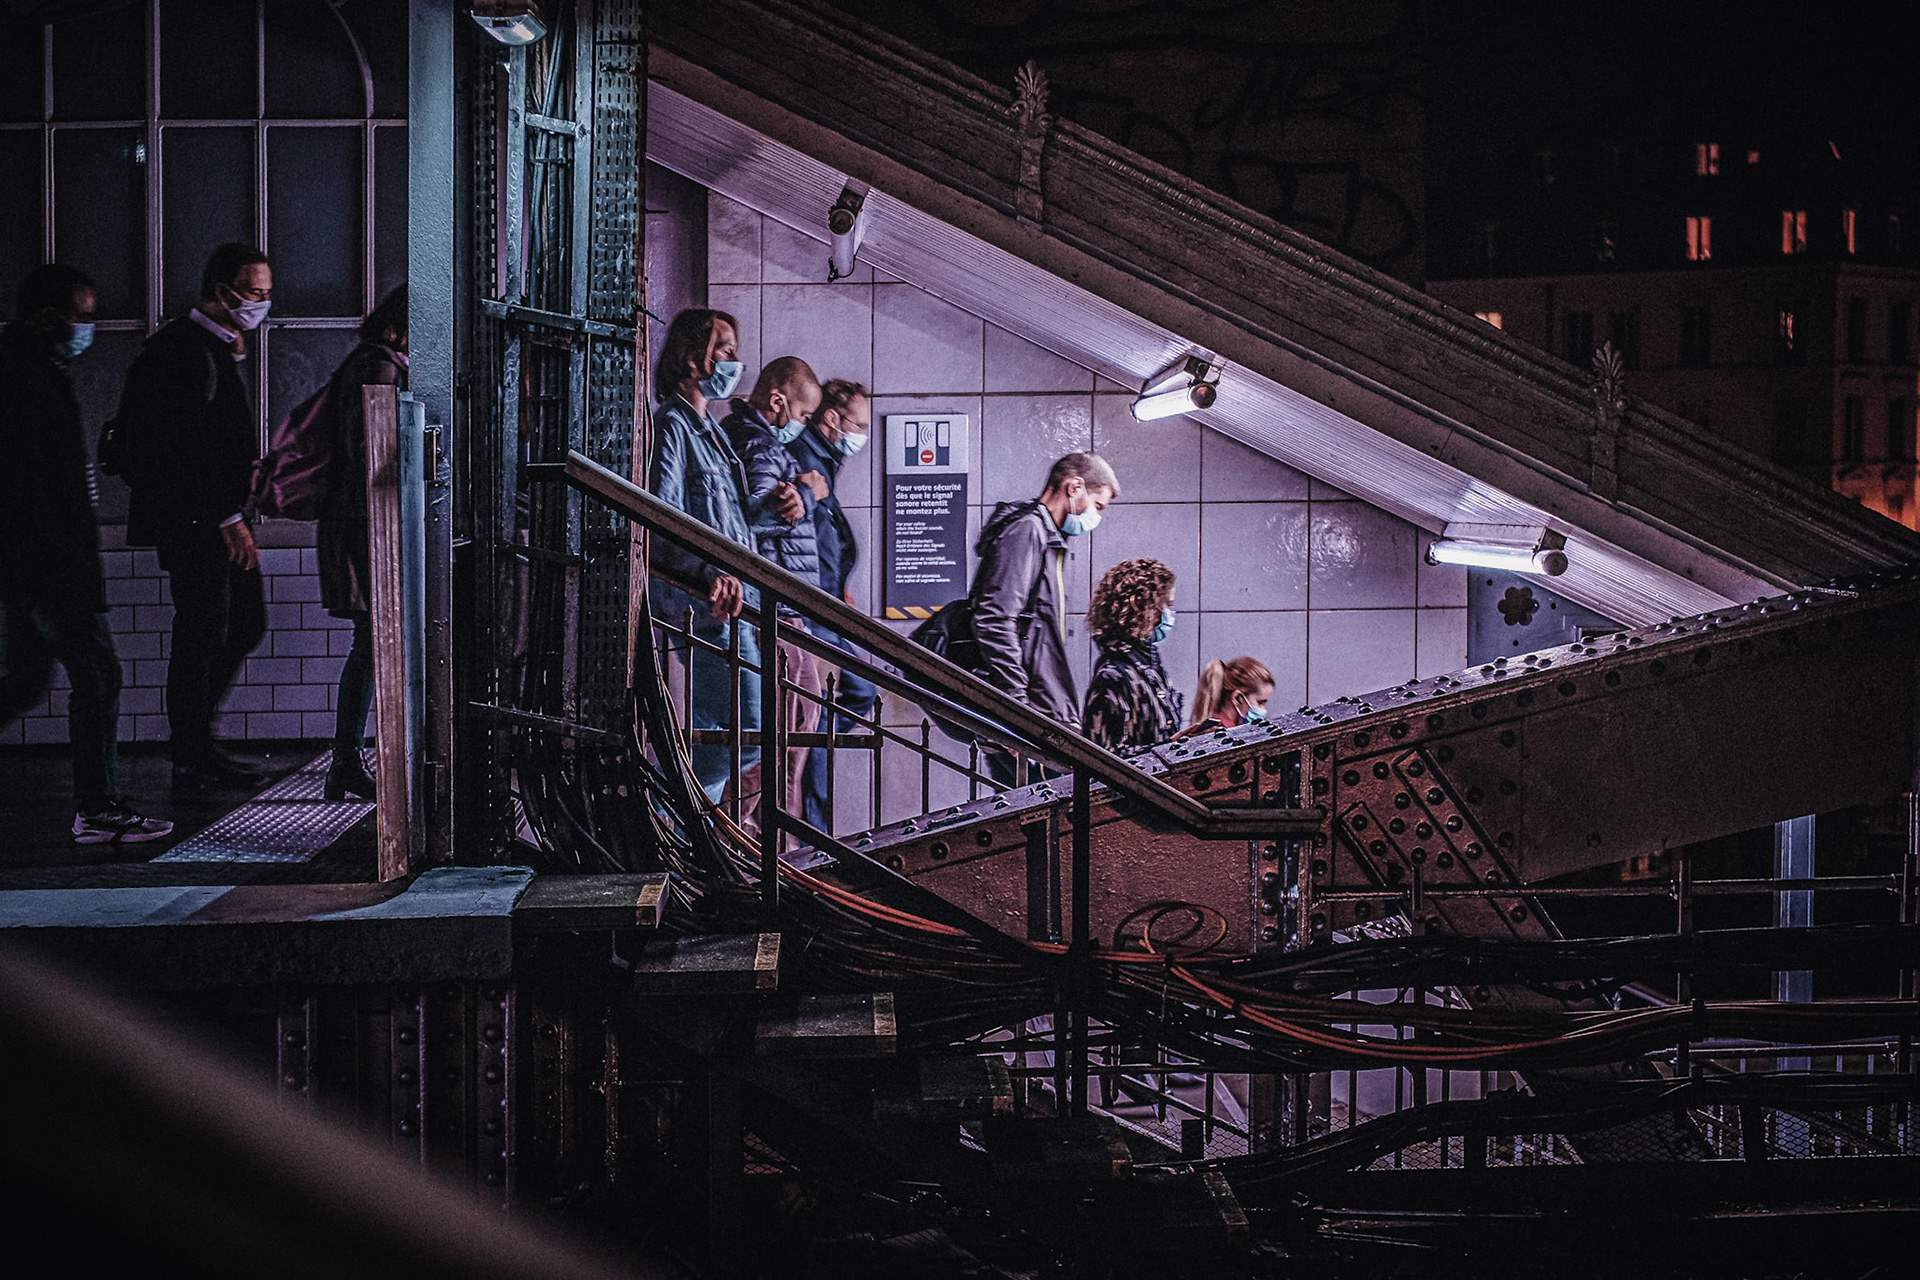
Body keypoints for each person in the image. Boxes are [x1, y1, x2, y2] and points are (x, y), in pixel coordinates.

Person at [0, 264, 172, 844]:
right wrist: (71, 570)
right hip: (52, 565)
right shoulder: (29, 380)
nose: (89, 326)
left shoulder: (31, 370)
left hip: (32, 565)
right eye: (83, 313)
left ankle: (98, 805)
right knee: (98, 676)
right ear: (49, 315)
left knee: (25, 681)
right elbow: (40, 491)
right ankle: (97, 807)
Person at [116, 242, 272, 789]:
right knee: (205, 628)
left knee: (236, 622)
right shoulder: (182, 351)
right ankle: (192, 750)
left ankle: (197, 741)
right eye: (253, 293)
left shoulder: (211, 350)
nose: (260, 305)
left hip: (216, 514)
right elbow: (179, 446)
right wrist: (227, 514)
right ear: (219, 290)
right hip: (197, 518)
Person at [648, 308, 761, 806]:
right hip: (706, 608)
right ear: (694, 360)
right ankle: (679, 813)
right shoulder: (673, 425)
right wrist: (710, 571)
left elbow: (729, 520)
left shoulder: (708, 431)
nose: (734, 363)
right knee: (747, 730)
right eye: (726, 352)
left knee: (735, 732)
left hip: (729, 605)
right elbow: (662, 514)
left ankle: (689, 819)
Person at [969, 451, 1120, 787]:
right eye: (1097, 505)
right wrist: (1018, 709)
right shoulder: (1027, 532)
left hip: (1041, 711)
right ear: (1074, 487)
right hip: (1030, 714)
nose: (1096, 517)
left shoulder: (1047, 538)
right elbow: (995, 619)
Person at [719, 356, 825, 830]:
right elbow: (760, 515)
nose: (804, 428)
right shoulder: (758, 446)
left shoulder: (757, 443)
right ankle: (755, 851)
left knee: (791, 727)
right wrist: (807, 498)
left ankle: (763, 847)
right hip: (772, 610)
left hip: (779, 609)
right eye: (803, 416)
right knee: (781, 735)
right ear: (778, 400)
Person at [315, 285, 408, 801]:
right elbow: (370, 452)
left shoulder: (367, 363)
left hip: (356, 523)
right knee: (373, 643)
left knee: (370, 643)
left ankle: (347, 759)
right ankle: (348, 758)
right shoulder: (381, 369)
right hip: (367, 526)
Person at [790, 379, 877, 832]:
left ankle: (811, 744)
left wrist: (840, 582)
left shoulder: (826, 458)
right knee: (854, 694)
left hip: (826, 599)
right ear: (831, 419)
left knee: (853, 696)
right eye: (859, 424)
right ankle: (815, 827)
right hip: (810, 603)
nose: (863, 434)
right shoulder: (806, 458)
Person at [1082, 558, 1182, 754]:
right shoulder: (1113, 677)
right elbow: (1103, 760)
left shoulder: (1149, 666)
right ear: (1142, 607)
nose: (1170, 613)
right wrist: (1171, 747)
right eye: (1167, 605)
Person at [1188, 656, 1274, 731]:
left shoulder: (1218, 727)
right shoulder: (1222, 733)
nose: (1263, 710)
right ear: (1237, 698)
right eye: (1260, 702)